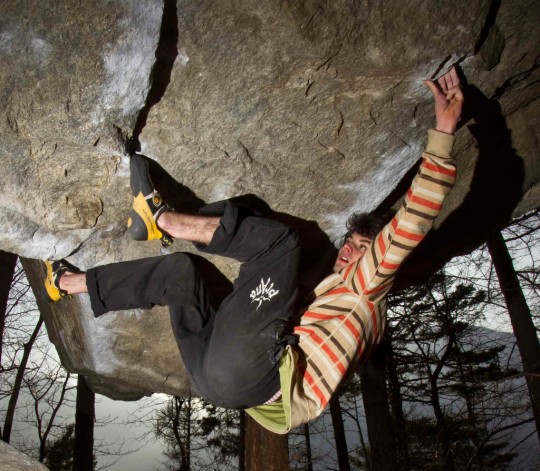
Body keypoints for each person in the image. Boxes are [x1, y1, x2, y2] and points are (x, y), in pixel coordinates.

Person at [44, 67, 463, 433]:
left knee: (282, 244)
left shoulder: (370, 289)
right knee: (180, 274)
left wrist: (443, 133)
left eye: (360, 249)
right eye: (349, 246)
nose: (347, 255)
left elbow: (410, 225)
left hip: (251, 374)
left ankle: (164, 219)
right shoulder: (337, 305)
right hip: (216, 381)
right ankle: (65, 281)